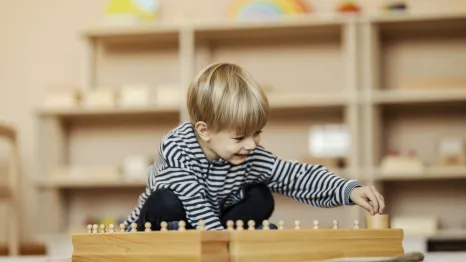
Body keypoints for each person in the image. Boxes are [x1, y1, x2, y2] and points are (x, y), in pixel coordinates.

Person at [123, 62, 385, 231]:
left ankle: (238, 239)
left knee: (260, 195)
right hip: (167, 225)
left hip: (213, 225)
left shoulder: (248, 154)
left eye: (257, 133)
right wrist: (219, 241)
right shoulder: (177, 149)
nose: (251, 145)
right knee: (166, 201)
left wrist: (348, 190)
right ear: (205, 131)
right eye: (239, 138)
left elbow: (296, 176)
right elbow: (192, 202)